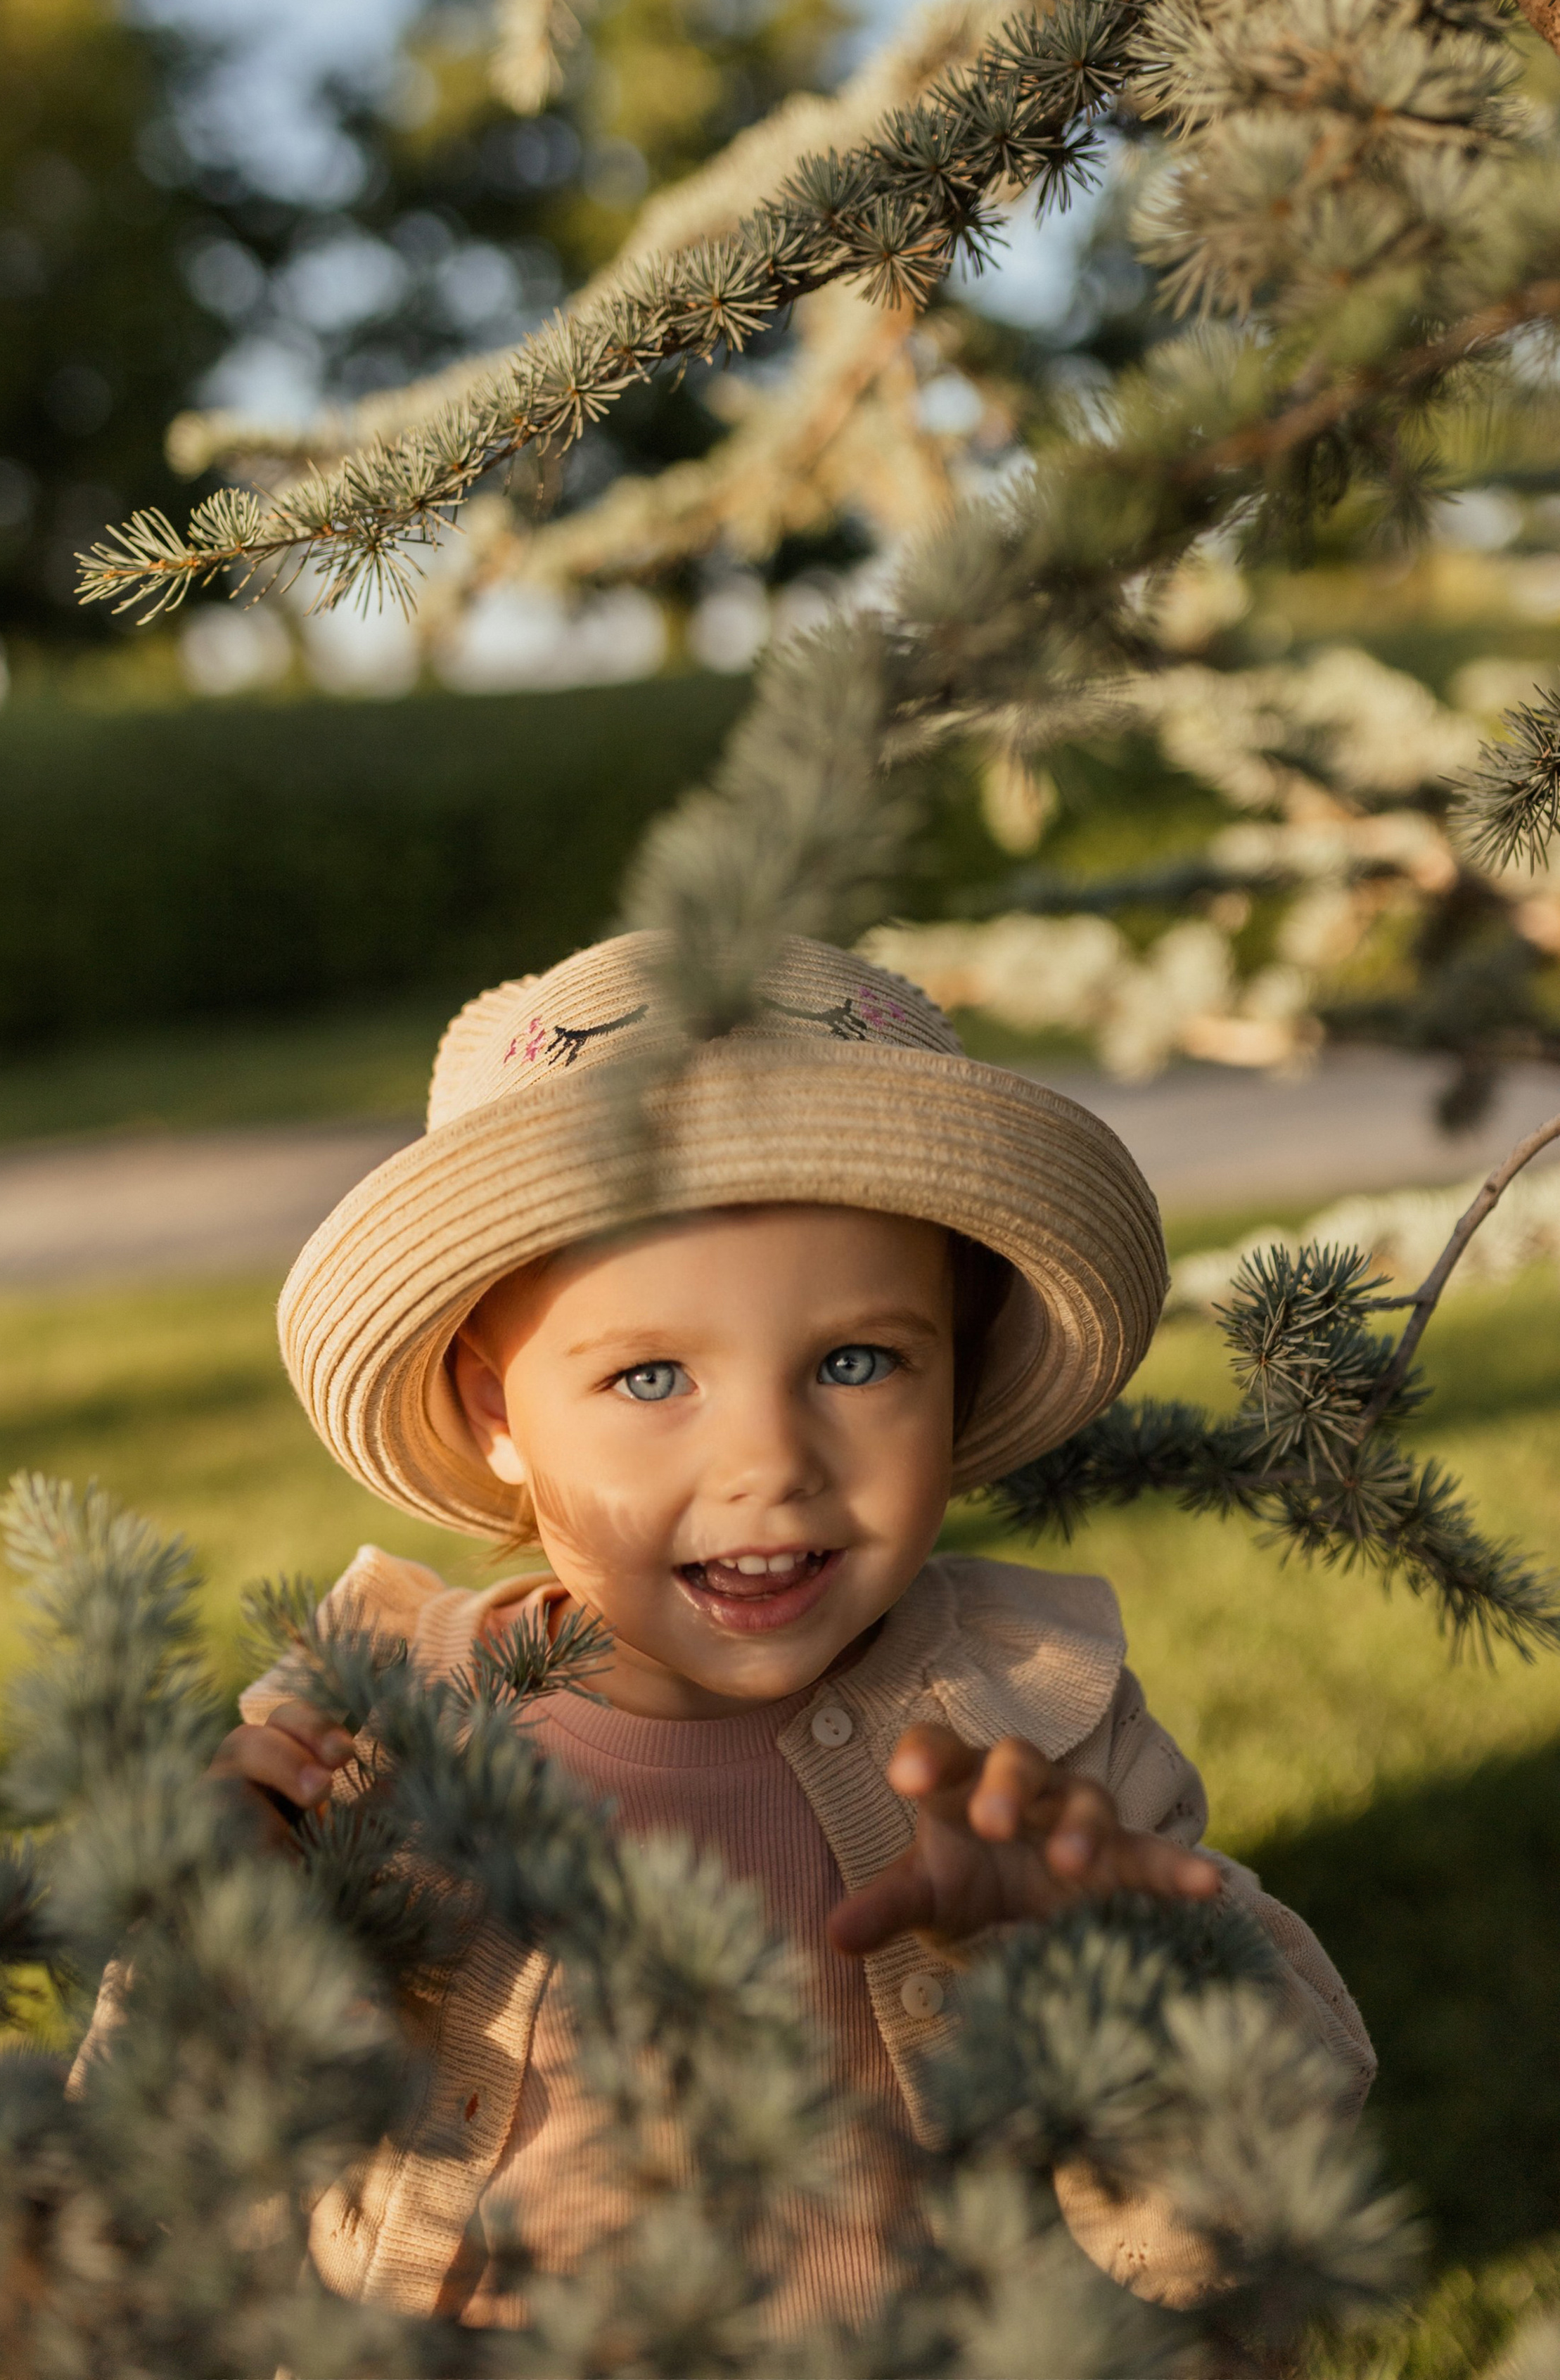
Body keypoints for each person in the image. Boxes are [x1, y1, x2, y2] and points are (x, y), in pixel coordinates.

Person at [209, 930, 1374, 2329]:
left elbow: (1240, 2233)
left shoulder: (1034, 1727)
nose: (770, 1461)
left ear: (957, 1364)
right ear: (493, 1415)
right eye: (650, 1375)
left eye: (856, 1360)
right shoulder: (368, 1732)